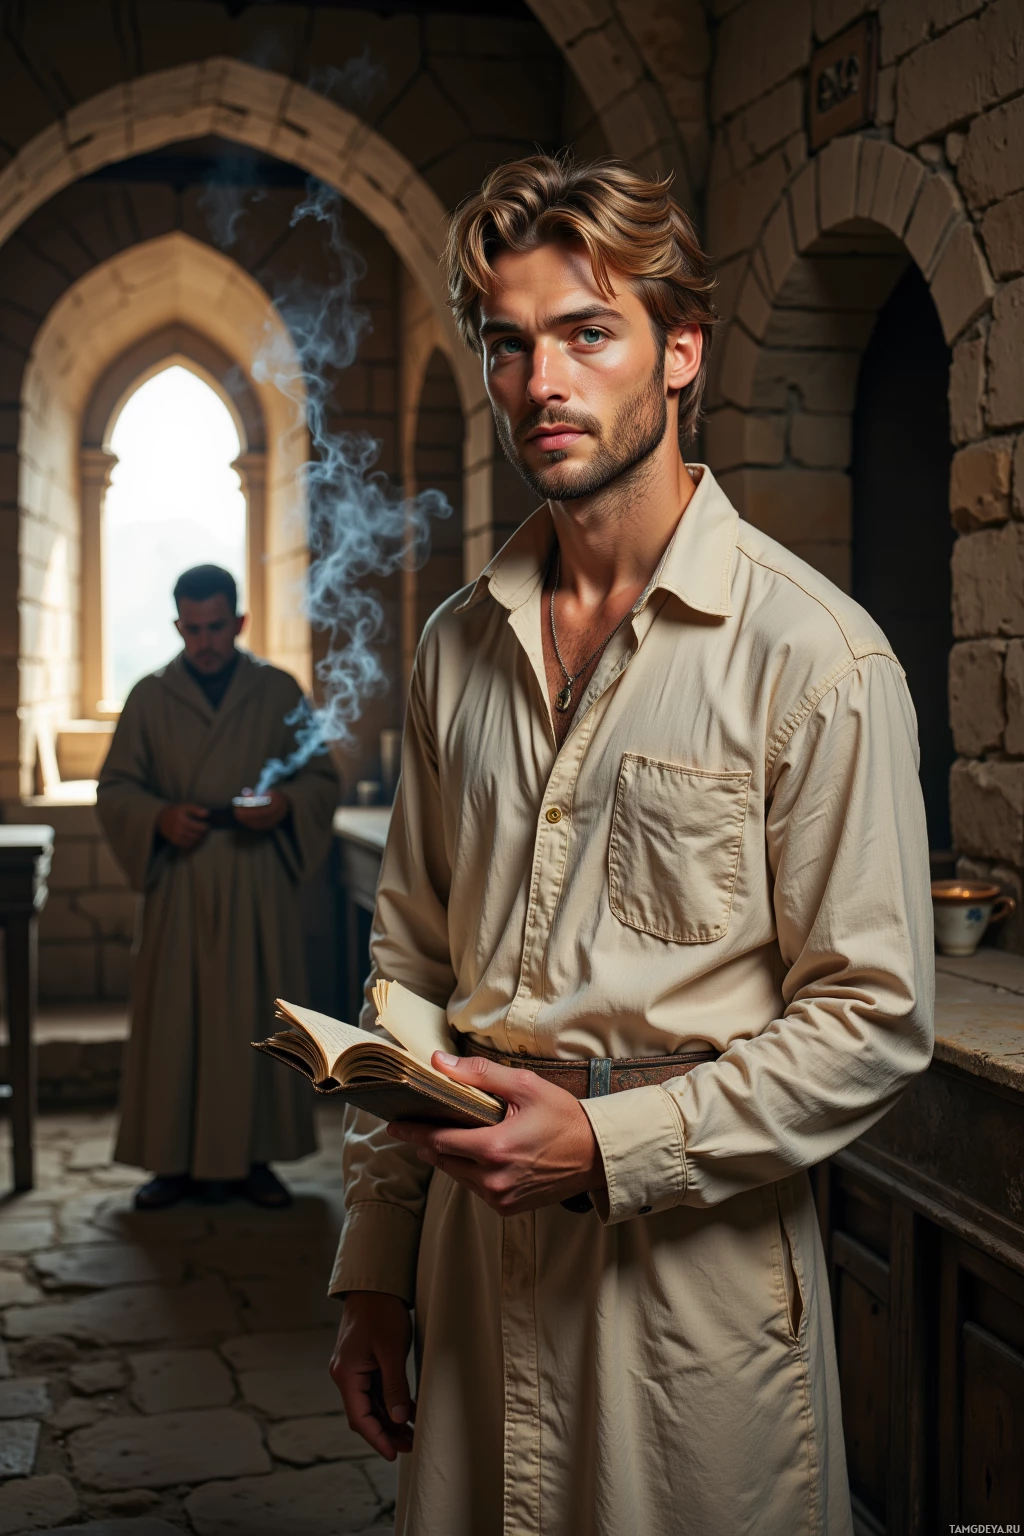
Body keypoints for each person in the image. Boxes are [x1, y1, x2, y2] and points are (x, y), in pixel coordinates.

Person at [329, 156, 934, 1536]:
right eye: (509, 342)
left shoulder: (816, 658)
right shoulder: (455, 651)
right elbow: (410, 960)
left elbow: (874, 1021)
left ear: (681, 355)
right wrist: (375, 1265)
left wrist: (607, 1143)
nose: (542, 380)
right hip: (472, 1273)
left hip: (689, 1301)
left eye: (586, 333)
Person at [97, 564, 338, 1210]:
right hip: (180, 879)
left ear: (239, 622)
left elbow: (321, 779)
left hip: (255, 878)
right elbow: (116, 787)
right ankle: (171, 1163)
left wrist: (284, 804)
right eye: (191, 628)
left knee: (255, 1017)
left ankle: (254, 1160)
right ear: (179, 624)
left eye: (215, 627)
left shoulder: (277, 692)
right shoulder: (149, 697)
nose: (203, 640)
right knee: (175, 1021)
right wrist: (158, 818)